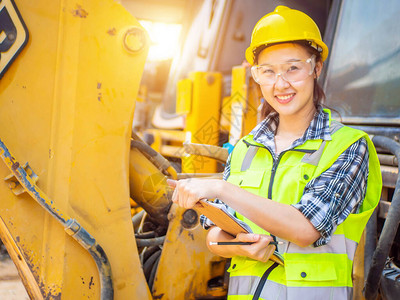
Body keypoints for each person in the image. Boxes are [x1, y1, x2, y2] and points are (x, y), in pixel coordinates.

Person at [167, 6, 382, 300]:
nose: (280, 84)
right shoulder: (245, 148)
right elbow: (214, 238)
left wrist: (220, 187)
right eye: (268, 71)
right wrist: (243, 247)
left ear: (316, 68)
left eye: (293, 68)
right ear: (256, 76)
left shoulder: (347, 146)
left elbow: (306, 228)